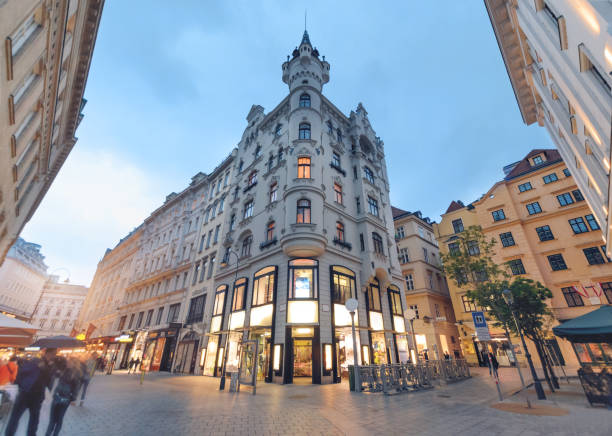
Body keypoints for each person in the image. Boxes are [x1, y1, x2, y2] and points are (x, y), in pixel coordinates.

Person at [5, 349, 55, 436]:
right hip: (26, 394)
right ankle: (9, 433)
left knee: (33, 419)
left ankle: (29, 434)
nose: (53, 356)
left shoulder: (48, 366)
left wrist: (48, 369)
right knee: (18, 417)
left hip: (35, 395)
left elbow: (48, 382)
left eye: (54, 354)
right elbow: (22, 372)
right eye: (52, 354)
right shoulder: (36, 361)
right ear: (47, 353)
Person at [44, 358, 81, 436]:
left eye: (69, 362)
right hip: (61, 398)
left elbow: (76, 388)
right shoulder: (64, 369)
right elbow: (54, 373)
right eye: (67, 362)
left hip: (61, 398)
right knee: (55, 420)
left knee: (57, 420)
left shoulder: (73, 373)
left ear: (73, 363)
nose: (67, 363)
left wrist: (72, 399)